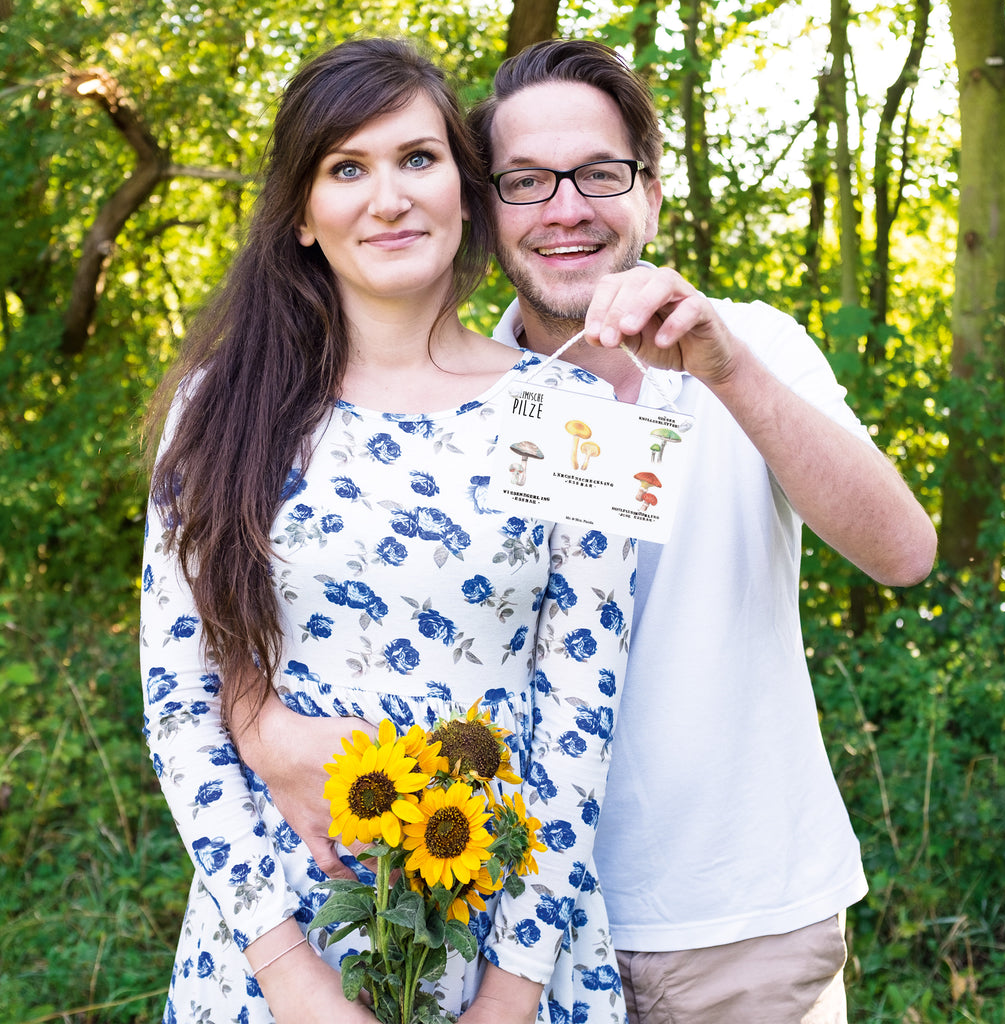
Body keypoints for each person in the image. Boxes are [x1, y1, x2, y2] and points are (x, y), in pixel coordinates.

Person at [234, 37, 937, 1024]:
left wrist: (724, 369)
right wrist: (256, 719)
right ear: (486, 207)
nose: (565, 208)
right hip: (511, 931)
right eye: (526, 181)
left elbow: (903, 552)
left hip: (734, 926)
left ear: (649, 191)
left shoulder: (753, 347)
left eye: (599, 174)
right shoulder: (455, 393)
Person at [140, 38, 635, 1024]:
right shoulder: (222, 407)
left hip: (506, 931)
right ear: (303, 218)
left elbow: (581, 711)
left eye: (417, 158)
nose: (389, 196)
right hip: (272, 943)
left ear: (467, 190)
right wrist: (292, 978)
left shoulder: (574, 413)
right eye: (346, 168)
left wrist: (510, 991)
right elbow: (179, 698)